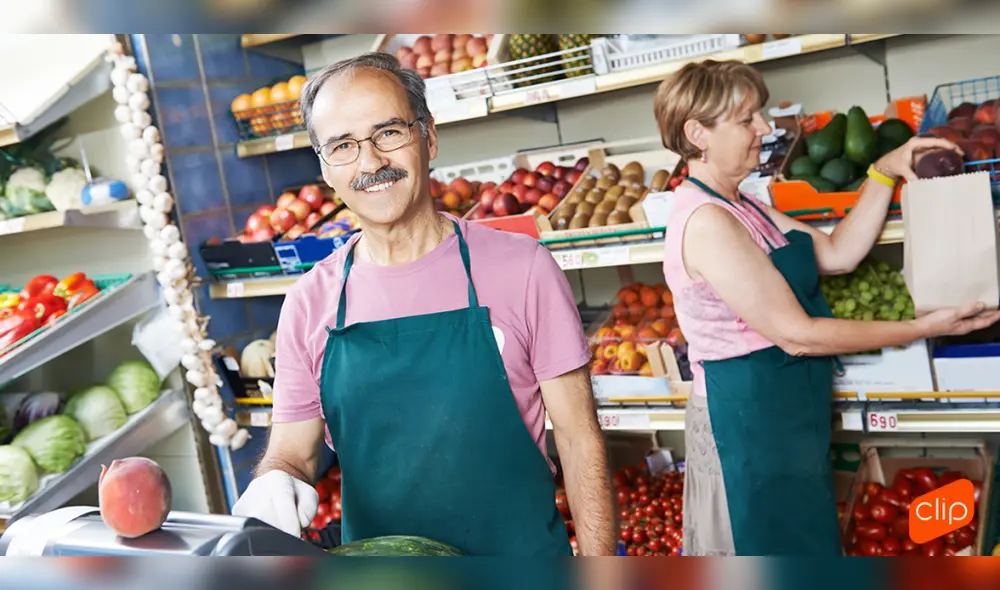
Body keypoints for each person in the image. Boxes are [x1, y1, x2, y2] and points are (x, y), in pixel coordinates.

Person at [231, 52, 616, 557]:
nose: (370, 163)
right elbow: (293, 452)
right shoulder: (310, 302)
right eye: (343, 146)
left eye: (388, 133)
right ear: (325, 168)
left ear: (428, 137)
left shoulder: (522, 269)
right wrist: (276, 480)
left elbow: (579, 439)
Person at [653, 59, 1000, 557]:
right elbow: (797, 334)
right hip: (747, 424)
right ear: (696, 133)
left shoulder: (742, 204)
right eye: (747, 119)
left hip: (785, 412)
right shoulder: (707, 222)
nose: (765, 129)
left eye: (762, 114)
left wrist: (884, 171)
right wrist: (919, 327)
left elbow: (838, 255)